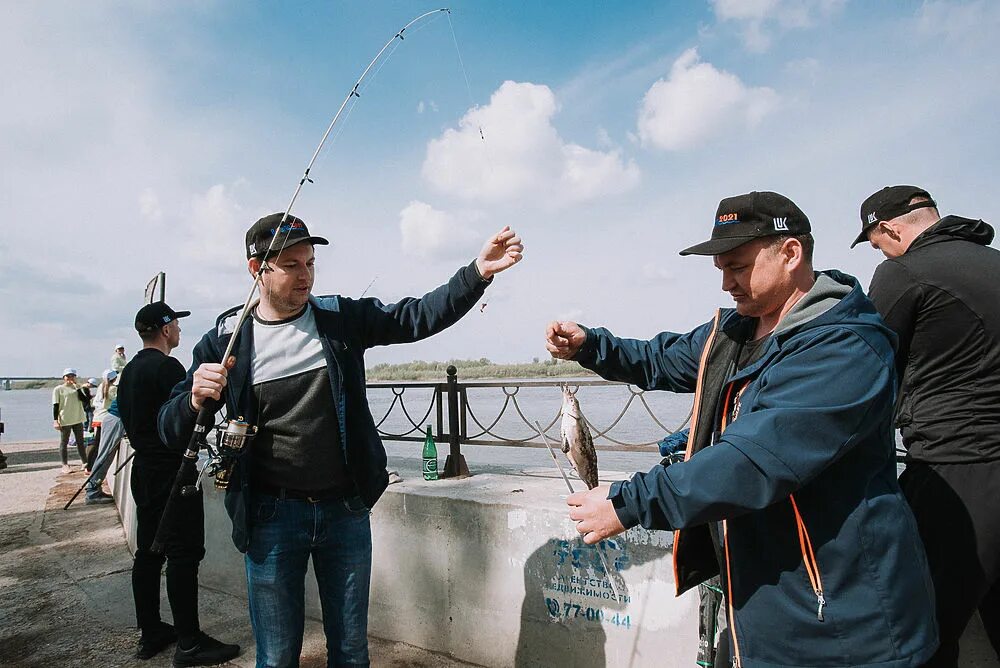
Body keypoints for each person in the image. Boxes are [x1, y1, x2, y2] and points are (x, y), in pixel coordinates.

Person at [546, 191, 938, 667]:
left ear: (791, 253)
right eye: (721, 271)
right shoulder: (734, 331)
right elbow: (659, 358)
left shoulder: (846, 345)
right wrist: (591, 346)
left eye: (738, 267)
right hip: (764, 605)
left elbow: (752, 459)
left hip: (846, 620)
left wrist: (627, 503)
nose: (727, 284)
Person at [159, 213, 524, 667]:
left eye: (310, 262)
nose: (305, 275)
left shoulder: (339, 319)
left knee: (351, 650)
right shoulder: (226, 341)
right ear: (257, 271)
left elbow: (415, 317)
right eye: (291, 264)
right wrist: (194, 399)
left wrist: (477, 273)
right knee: (275, 656)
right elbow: (170, 429)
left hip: (346, 511)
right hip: (270, 516)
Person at [853, 185, 1000, 666]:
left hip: (957, 469)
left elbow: (865, 368)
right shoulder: (994, 263)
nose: (881, 251)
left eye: (877, 242)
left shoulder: (904, 271)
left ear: (890, 228)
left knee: (922, 627)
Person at [118, 302, 240, 665]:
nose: (180, 332)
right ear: (166, 329)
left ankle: (151, 630)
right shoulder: (168, 367)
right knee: (184, 555)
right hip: (172, 472)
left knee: (149, 551)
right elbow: (188, 416)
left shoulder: (130, 371)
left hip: (144, 470)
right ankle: (189, 642)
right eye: (177, 325)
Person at [53, 368, 88, 473]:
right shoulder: (58, 389)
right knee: (64, 442)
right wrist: (55, 420)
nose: (70, 378)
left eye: (72, 376)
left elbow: (85, 400)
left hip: (78, 418)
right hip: (65, 419)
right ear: (64, 377)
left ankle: (85, 462)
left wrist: (77, 388)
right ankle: (65, 465)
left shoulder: (78, 388)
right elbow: (55, 406)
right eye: (68, 376)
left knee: (80, 441)